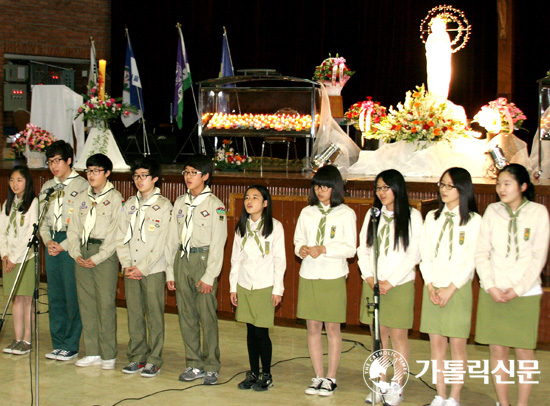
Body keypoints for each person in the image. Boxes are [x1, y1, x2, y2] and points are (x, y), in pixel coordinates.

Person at [475, 164, 550, 406]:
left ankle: (522, 404)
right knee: (497, 351)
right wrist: (491, 286)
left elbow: (539, 256)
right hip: (494, 290)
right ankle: (503, 403)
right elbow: (481, 253)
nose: (501, 189)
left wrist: (518, 289)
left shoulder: (538, 212)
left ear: (523, 186)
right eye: (498, 184)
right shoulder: (492, 211)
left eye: (507, 183)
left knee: (524, 351)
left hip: (525, 292)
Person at [357, 169, 422, 405]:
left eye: (386, 187)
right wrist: (370, 277)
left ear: (398, 188)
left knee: (398, 336)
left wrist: (390, 282)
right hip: (373, 283)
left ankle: (397, 386)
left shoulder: (412, 216)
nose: (381, 192)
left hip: (399, 285)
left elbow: (413, 253)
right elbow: (363, 249)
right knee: (378, 337)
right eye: (378, 188)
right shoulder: (373, 214)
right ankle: (380, 383)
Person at [419, 167, 481, 406]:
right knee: (436, 345)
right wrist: (431, 284)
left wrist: (451, 287)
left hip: (458, 288)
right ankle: (440, 394)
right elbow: (425, 254)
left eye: (450, 186)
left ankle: (454, 396)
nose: (444, 190)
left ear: (462, 189)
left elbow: (470, 259)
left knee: (457, 346)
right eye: (442, 185)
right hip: (433, 287)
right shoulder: (432, 217)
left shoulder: (474, 220)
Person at [294, 165, 356, 397]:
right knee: (312, 328)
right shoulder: (307, 212)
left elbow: (350, 248)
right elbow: (298, 238)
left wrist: (324, 249)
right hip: (309, 274)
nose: (321, 191)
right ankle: (318, 375)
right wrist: (300, 248)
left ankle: (331, 377)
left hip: (332, 275)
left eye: (326, 187)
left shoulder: (346, 213)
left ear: (335, 188)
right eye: (318, 186)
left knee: (332, 329)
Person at [166, 154, 227, 385]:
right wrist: (170, 271)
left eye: (193, 173)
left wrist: (210, 275)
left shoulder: (215, 206)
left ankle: (211, 365)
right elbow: (172, 239)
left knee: (207, 316)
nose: (188, 177)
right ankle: (193, 363)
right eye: (186, 172)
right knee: (187, 316)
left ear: (206, 176)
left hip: (203, 260)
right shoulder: (180, 203)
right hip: (182, 259)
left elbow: (219, 243)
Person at [116, 157, 172, 378]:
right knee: (135, 314)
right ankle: (137, 356)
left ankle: (154, 359)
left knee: (154, 315)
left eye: (144, 176)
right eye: (136, 176)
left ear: (155, 179)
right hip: (130, 269)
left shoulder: (164, 206)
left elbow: (163, 243)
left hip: (153, 269)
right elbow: (120, 236)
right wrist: (127, 264)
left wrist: (143, 267)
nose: (139, 180)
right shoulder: (129, 204)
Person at [67, 154, 123, 370]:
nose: (91, 175)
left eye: (96, 170)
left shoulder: (115, 197)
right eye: (89, 170)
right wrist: (75, 253)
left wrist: (98, 257)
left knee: (105, 304)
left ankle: (108, 354)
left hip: (104, 255)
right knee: (86, 304)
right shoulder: (81, 197)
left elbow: (115, 233)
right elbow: (73, 229)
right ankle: (92, 351)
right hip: (82, 251)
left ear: (107, 173)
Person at [229, 185, 286, 392]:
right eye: (246, 197)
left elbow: (280, 260)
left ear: (265, 203)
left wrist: (277, 289)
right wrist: (232, 287)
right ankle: (253, 372)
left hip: (264, 285)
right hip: (244, 285)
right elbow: (235, 259)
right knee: (250, 331)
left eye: (255, 197)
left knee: (261, 332)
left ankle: (266, 374)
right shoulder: (241, 227)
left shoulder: (275, 227)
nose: (249, 201)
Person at [39, 140, 88, 361]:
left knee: (71, 295)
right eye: (50, 162)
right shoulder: (47, 186)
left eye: (57, 161)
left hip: (72, 242)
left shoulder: (81, 185)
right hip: (52, 243)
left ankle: (71, 343)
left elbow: (84, 221)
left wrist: (65, 245)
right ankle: (57, 342)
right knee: (55, 295)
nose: (54, 166)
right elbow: (42, 220)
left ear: (69, 160)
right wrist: (48, 240)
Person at [1, 166, 38, 356]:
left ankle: (27, 339)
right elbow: (2, 232)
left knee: (27, 300)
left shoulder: (33, 203)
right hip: (9, 260)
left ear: (27, 182)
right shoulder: (7, 203)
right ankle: (16, 338)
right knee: (15, 299)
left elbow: (29, 234)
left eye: (19, 180)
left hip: (25, 258)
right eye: (12, 180)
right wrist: (5, 255)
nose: (15, 184)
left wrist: (15, 258)